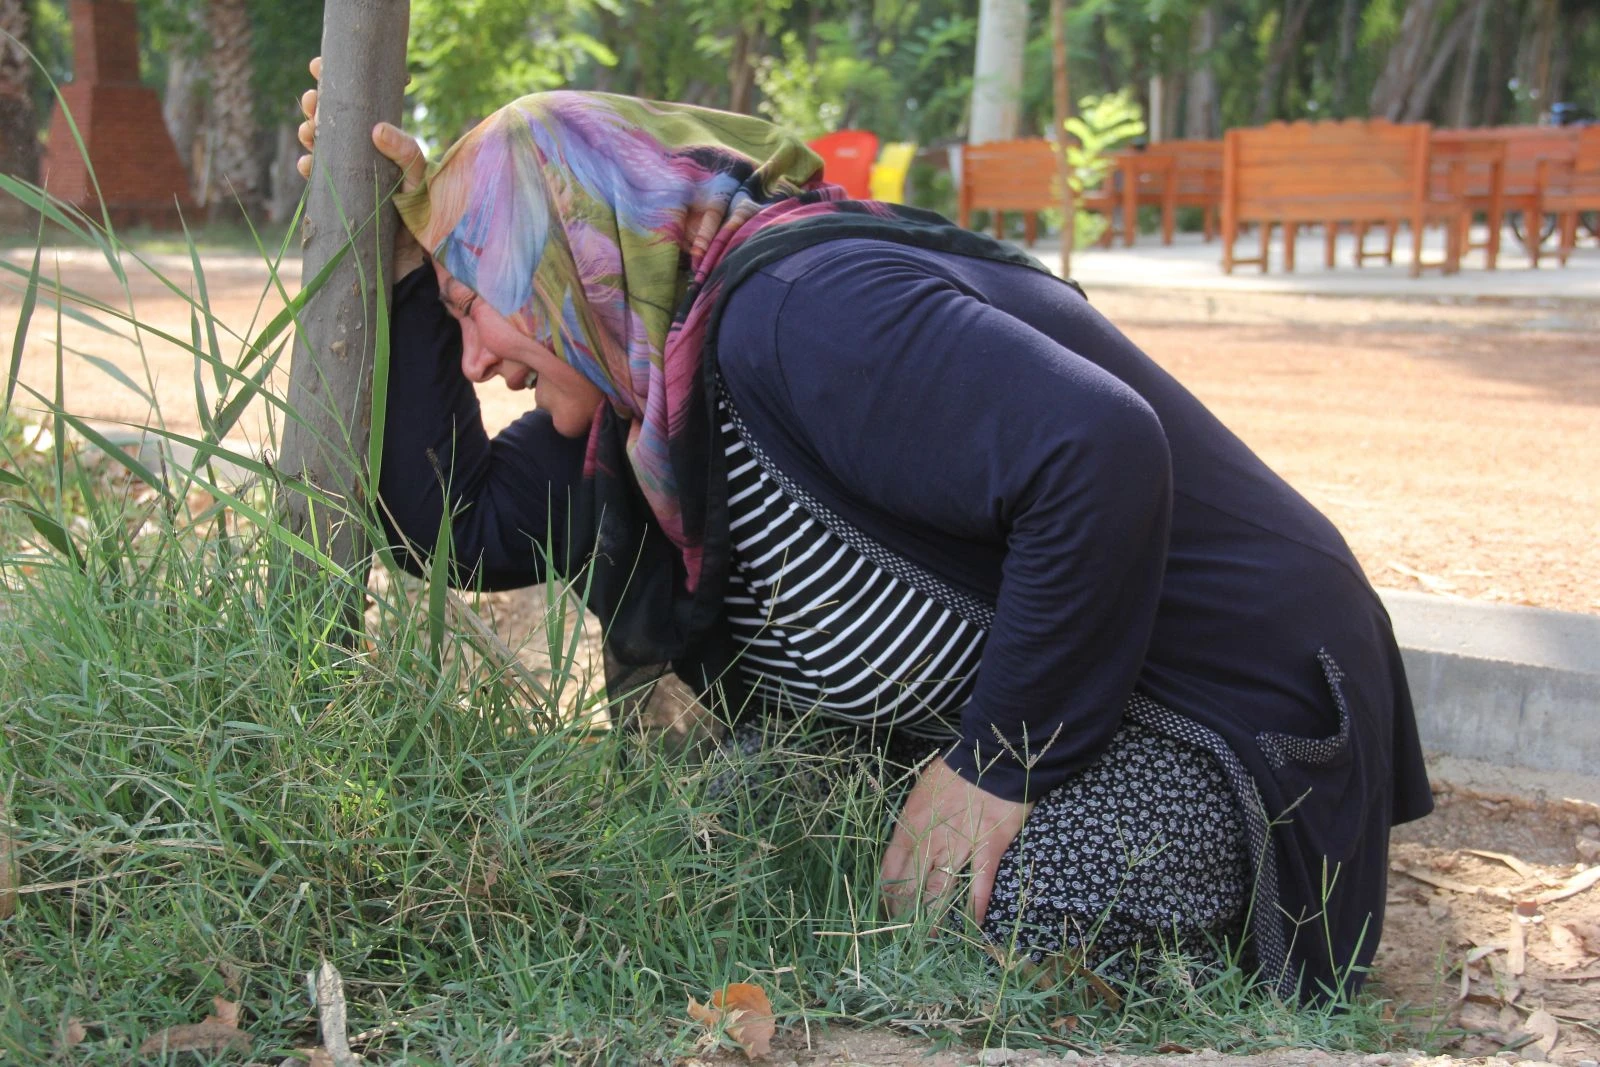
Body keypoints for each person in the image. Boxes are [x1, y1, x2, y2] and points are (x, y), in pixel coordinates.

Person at [297, 62, 1432, 1002]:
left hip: (1229, 695)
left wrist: (994, 764)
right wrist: (403, 273)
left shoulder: (798, 313)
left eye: (470, 303)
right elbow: (442, 525)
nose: (476, 359)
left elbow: (1098, 451)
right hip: (1089, 702)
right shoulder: (647, 414)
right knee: (720, 839)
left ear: (567, 249)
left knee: (1023, 910)